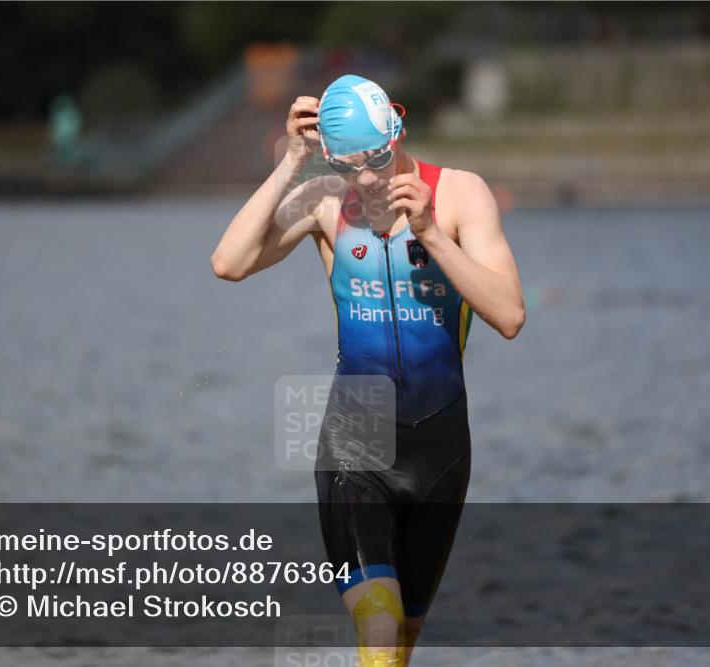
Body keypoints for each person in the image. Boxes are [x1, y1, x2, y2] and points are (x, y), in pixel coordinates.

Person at [211, 74, 524, 666]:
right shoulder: (326, 198)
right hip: (355, 437)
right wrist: (292, 163)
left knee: (399, 645)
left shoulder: (460, 195)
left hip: (441, 448)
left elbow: (509, 314)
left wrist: (432, 233)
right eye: (353, 164)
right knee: (378, 629)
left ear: (398, 129)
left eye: (379, 156)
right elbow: (229, 262)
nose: (371, 176)